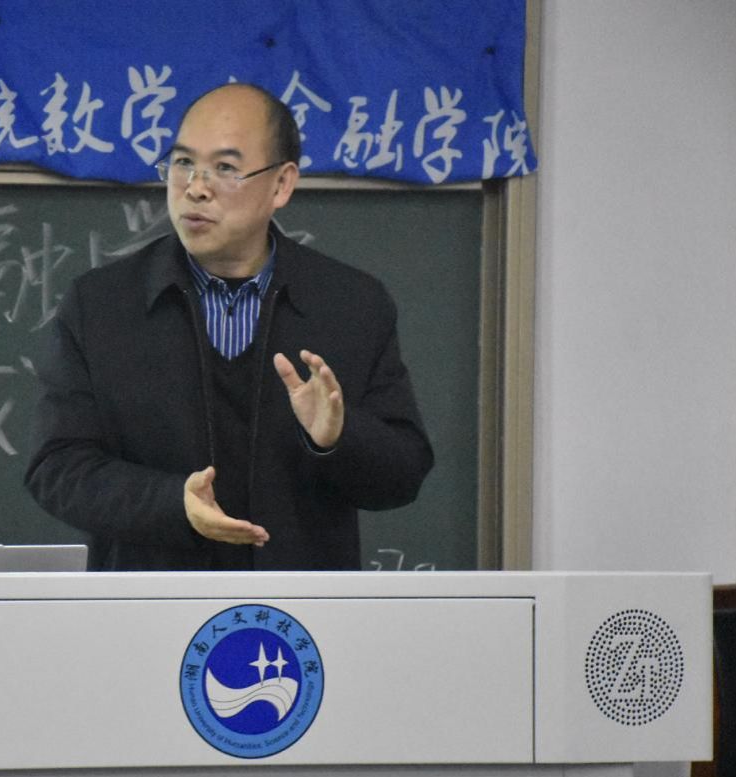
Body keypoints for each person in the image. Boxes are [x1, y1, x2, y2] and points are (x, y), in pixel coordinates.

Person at [24, 82, 433, 571]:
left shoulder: (352, 305)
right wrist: (173, 503)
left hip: (298, 609)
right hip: (150, 602)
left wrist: (339, 436)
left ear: (281, 185)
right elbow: (57, 467)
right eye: (182, 163)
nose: (196, 188)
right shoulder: (101, 305)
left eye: (225, 168)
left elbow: (403, 476)